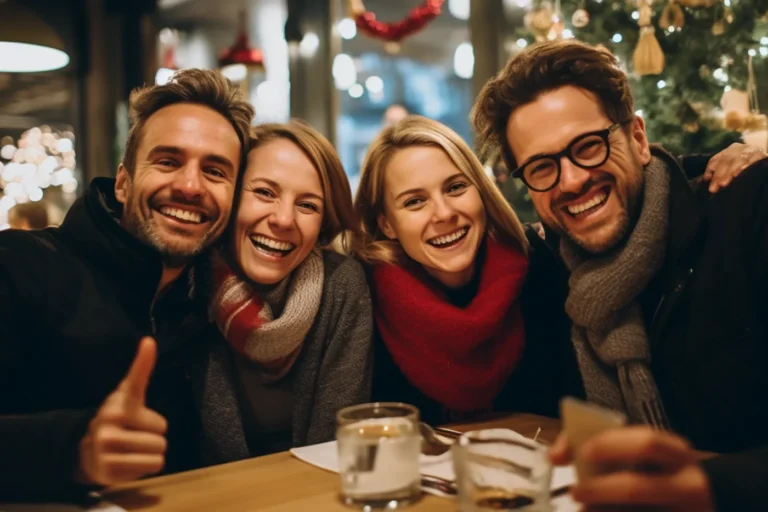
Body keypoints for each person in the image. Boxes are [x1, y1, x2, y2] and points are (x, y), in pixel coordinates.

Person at [472, 39, 768, 510]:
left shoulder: (747, 210)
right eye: (542, 167)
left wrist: (713, 487)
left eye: (588, 146)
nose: (570, 181)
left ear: (636, 138)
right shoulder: (549, 275)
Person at [0, 69, 254, 501]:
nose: (190, 186)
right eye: (168, 161)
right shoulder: (19, 266)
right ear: (122, 182)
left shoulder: (211, 306)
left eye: (215, 171)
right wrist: (72, 449)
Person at [353, 115, 581, 426]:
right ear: (387, 224)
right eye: (415, 202)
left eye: (456, 187)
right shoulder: (363, 298)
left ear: (481, 193)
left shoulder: (538, 265)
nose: (444, 213)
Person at [194, 121, 373, 463]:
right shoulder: (187, 280)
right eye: (264, 192)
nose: (284, 219)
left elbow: (336, 445)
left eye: (308, 205)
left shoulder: (341, 285)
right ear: (230, 197)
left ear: (324, 223)